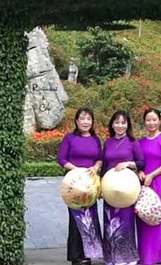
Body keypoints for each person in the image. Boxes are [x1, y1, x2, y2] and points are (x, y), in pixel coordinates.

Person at [58, 107, 104, 265]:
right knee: (76, 219)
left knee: (90, 218)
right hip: (74, 184)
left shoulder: (96, 139)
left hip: (90, 185)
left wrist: (96, 167)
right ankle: (76, 256)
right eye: (82, 118)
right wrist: (77, 170)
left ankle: (89, 253)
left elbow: (100, 158)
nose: (85, 122)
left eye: (88, 119)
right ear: (76, 121)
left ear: (92, 122)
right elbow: (62, 159)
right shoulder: (69, 138)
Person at [102, 110, 145, 265]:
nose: (120, 126)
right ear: (112, 124)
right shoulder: (107, 143)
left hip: (127, 189)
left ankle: (128, 257)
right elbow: (104, 166)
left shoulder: (133, 142)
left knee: (125, 222)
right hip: (110, 188)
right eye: (117, 122)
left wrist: (127, 163)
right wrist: (101, 186)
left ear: (127, 125)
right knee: (109, 222)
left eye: (123, 123)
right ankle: (111, 257)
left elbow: (141, 162)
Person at [137, 108, 161, 265]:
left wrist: (152, 175)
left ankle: (159, 256)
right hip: (143, 185)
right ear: (144, 122)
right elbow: (138, 162)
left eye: (154, 120)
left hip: (158, 182)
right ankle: (145, 256)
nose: (151, 123)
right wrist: (140, 172)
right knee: (143, 216)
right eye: (148, 120)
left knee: (157, 217)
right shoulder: (140, 142)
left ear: (159, 121)